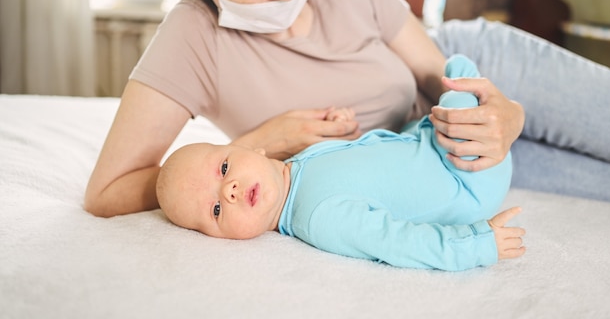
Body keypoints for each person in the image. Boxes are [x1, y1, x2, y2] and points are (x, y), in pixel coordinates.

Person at [84, 0, 610, 218]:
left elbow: (437, 75)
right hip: (432, 163)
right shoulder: (192, 37)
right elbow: (106, 193)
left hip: (479, 78)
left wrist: (507, 113)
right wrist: (262, 142)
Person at [156, 55, 526, 271]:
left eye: (223, 168)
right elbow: (398, 242)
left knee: (453, 85)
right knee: (461, 91)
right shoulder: (319, 218)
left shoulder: (296, 169)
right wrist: (476, 245)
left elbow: (361, 166)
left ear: (256, 149)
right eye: (217, 209)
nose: (230, 189)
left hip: (427, 145)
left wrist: (342, 131)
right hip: (468, 179)